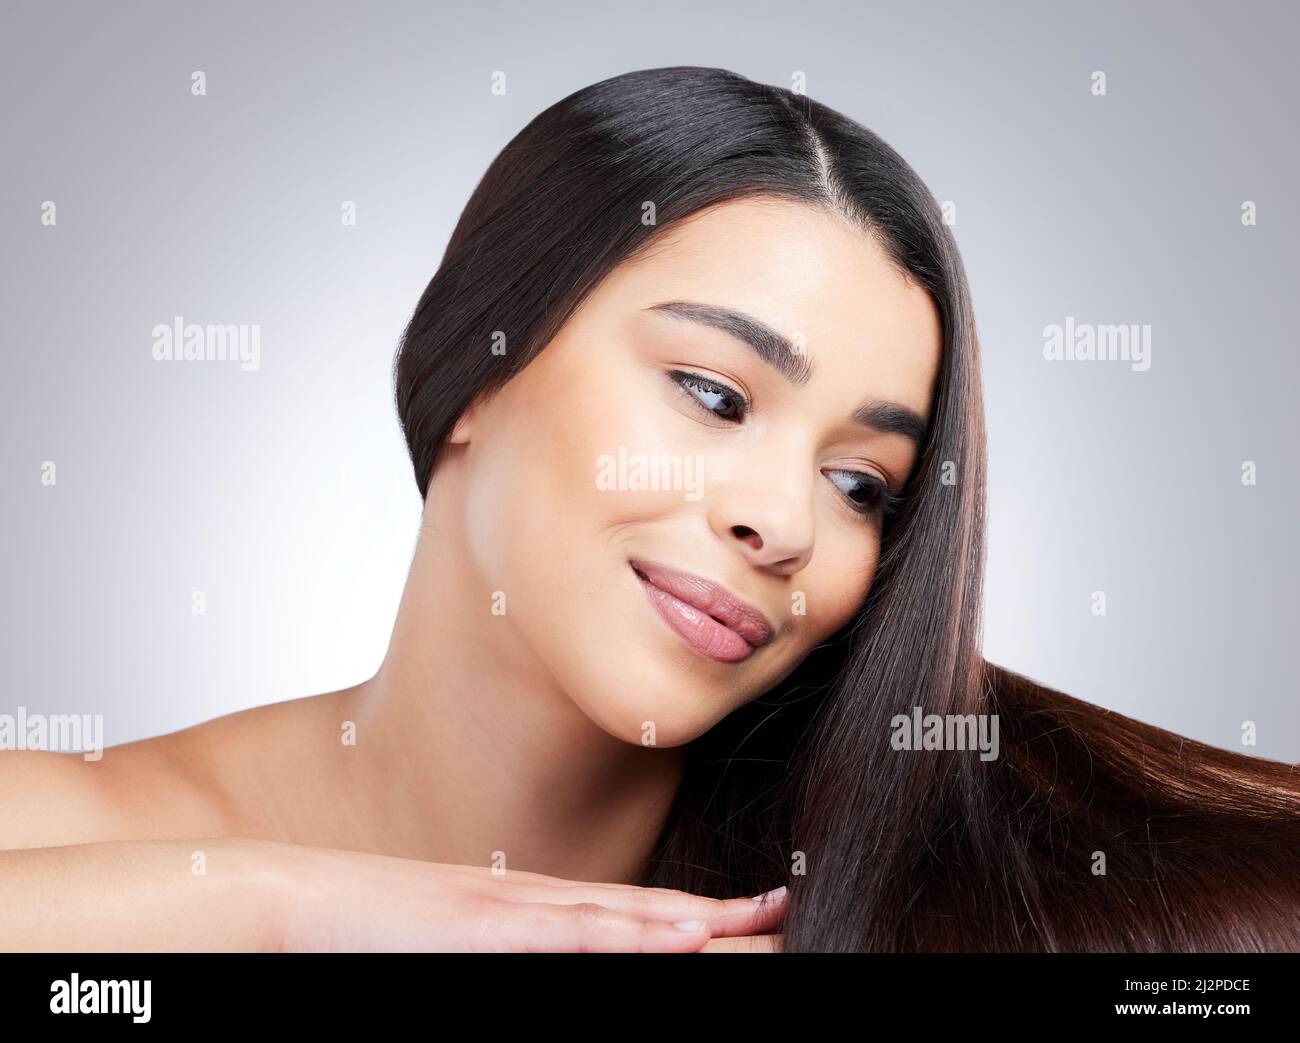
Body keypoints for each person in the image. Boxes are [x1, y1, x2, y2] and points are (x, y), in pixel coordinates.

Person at [3, 66, 1297, 953]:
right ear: (478, 369)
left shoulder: (881, 893)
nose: (782, 522)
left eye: (862, 486)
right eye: (714, 395)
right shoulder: (80, 842)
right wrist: (298, 913)